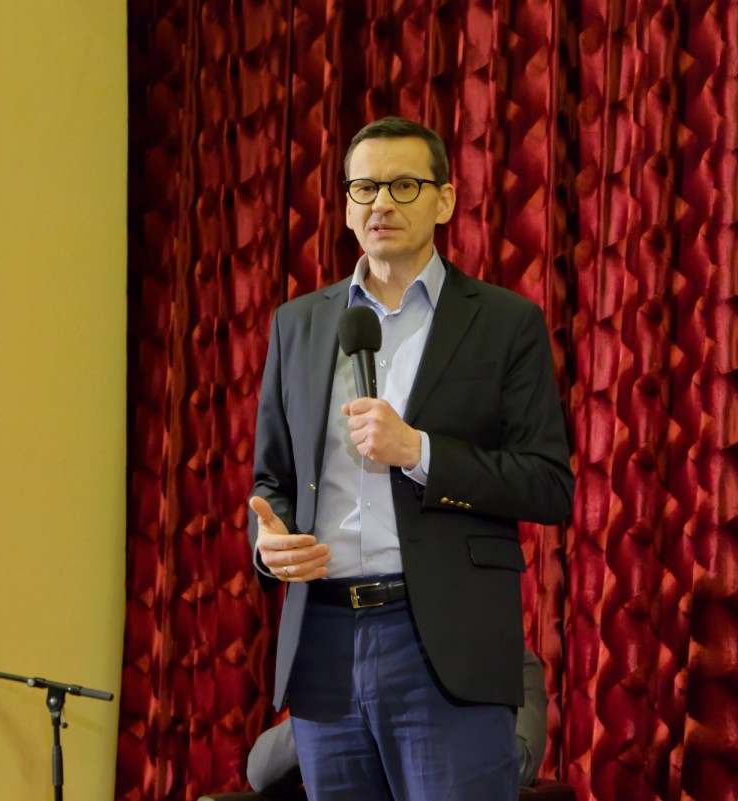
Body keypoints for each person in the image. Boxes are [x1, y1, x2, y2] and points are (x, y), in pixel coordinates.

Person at [247, 116, 573, 801]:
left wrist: (419, 451)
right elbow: (273, 479)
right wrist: (267, 544)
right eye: (364, 188)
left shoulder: (504, 323)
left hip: (441, 645)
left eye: (403, 185)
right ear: (345, 207)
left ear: (445, 200)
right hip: (325, 642)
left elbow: (547, 484)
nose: (381, 204)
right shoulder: (298, 323)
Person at [245, 648, 550, 796]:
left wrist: (429, 706)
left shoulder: (512, 662)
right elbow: (260, 772)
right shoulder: (351, 668)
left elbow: (523, 764)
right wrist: (343, 712)